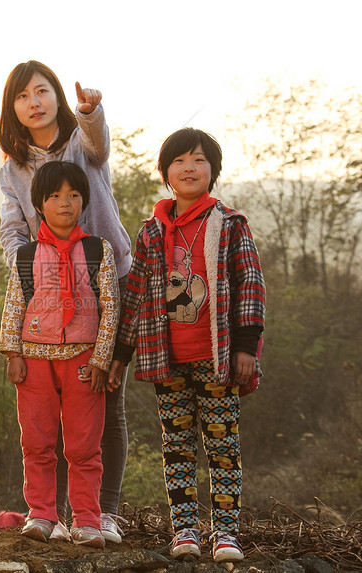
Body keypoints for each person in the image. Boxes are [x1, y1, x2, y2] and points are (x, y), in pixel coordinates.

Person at [109, 128, 266, 563]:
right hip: (166, 357)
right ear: (165, 173)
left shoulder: (230, 224)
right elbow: (136, 294)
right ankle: (185, 531)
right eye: (179, 161)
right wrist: (122, 354)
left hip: (216, 357)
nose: (189, 167)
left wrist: (247, 346)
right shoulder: (151, 232)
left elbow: (250, 283)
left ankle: (227, 533)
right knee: (176, 444)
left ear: (212, 171)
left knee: (222, 445)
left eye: (199, 160)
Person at [0, 60, 132, 543]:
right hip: (46, 302)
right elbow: (12, 227)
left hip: (106, 282)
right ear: (12, 108)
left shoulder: (80, 145)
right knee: (44, 419)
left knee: (103, 406)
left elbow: (98, 145)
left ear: (57, 95)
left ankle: (101, 513)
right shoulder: (11, 168)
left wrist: (91, 112)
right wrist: (32, 263)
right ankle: (48, 515)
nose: (34, 102)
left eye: (42, 91)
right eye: (22, 96)